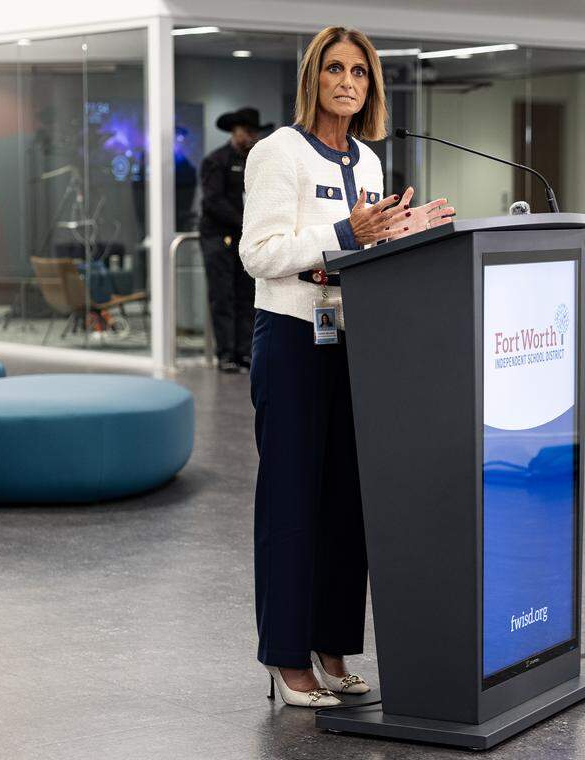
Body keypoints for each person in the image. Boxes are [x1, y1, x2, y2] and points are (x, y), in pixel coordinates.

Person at [239, 26, 455, 708]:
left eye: (359, 73)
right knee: (292, 502)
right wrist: (345, 235)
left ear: (371, 87)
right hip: (292, 339)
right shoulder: (279, 152)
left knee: (345, 507)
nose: (346, 82)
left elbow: (365, 251)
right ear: (314, 78)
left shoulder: (366, 161)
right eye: (334, 69)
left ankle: (331, 648)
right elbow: (259, 252)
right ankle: (285, 656)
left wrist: (403, 232)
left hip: (355, 344)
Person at [200, 107, 272, 373]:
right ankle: (226, 354)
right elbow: (213, 201)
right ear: (235, 131)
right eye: (246, 132)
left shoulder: (257, 162)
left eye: (254, 132)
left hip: (246, 238)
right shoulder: (216, 161)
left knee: (247, 295)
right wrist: (246, 220)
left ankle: (244, 352)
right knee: (223, 296)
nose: (250, 137)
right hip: (218, 237)